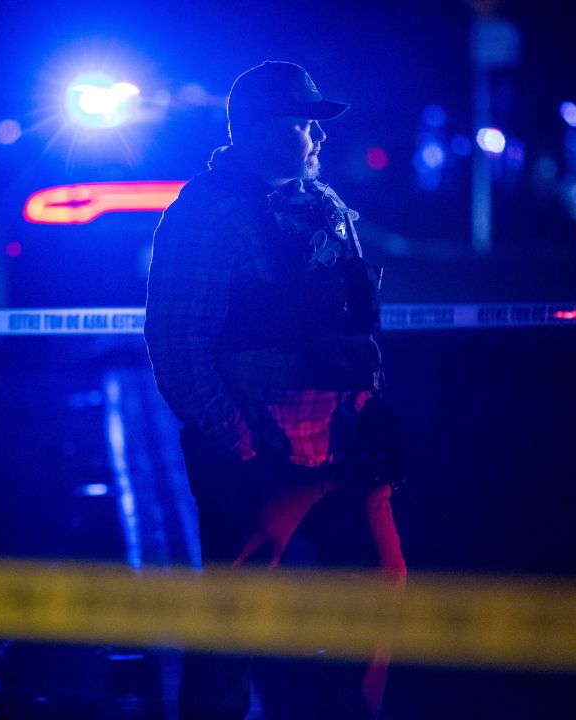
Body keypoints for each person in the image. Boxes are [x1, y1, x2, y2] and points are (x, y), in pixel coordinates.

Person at [144, 60, 407, 720]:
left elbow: (347, 322)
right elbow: (178, 349)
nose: (319, 139)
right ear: (259, 133)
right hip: (262, 460)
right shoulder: (204, 218)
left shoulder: (320, 203)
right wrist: (241, 442)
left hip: (343, 446)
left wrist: (367, 406)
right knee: (232, 633)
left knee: (380, 590)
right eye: (303, 125)